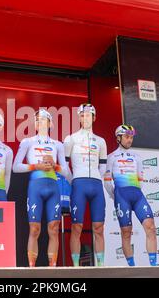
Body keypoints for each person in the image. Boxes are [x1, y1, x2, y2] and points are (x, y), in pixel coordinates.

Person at [13, 109, 69, 267]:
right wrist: (36, 166)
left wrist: (55, 165)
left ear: (50, 123)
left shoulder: (57, 145)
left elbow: (67, 172)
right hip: (35, 188)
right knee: (34, 229)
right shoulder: (27, 142)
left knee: (53, 228)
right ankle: (32, 268)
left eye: (43, 119)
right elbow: (15, 167)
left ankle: (53, 268)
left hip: (53, 188)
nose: (39, 122)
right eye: (37, 119)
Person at [104, 124, 157, 266]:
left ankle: (153, 266)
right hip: (121, 196)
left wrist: (135, 191)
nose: (129, 140)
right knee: (126, 232)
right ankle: (132, 267)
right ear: (118, 138)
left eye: (131, 137)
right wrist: (116, 197)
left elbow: (140, 180)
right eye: (127, 137)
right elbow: (107, 182)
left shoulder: (137, 157)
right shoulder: (111, 157)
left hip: (137, 195)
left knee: (151, 227)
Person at [64, 103, 107, 266]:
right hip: (78, 185)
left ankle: (101, 266)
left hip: (96, 185)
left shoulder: (101, 141)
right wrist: (74, 179)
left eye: (88, 115)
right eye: (82, 115)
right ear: (79, 118)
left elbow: (103, 165)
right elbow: (64, 164)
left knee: (99, 227)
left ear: (94, 118)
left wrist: (97, 176)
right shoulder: (71, 138)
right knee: (77, 227)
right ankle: (76, 267)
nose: (85, 118)